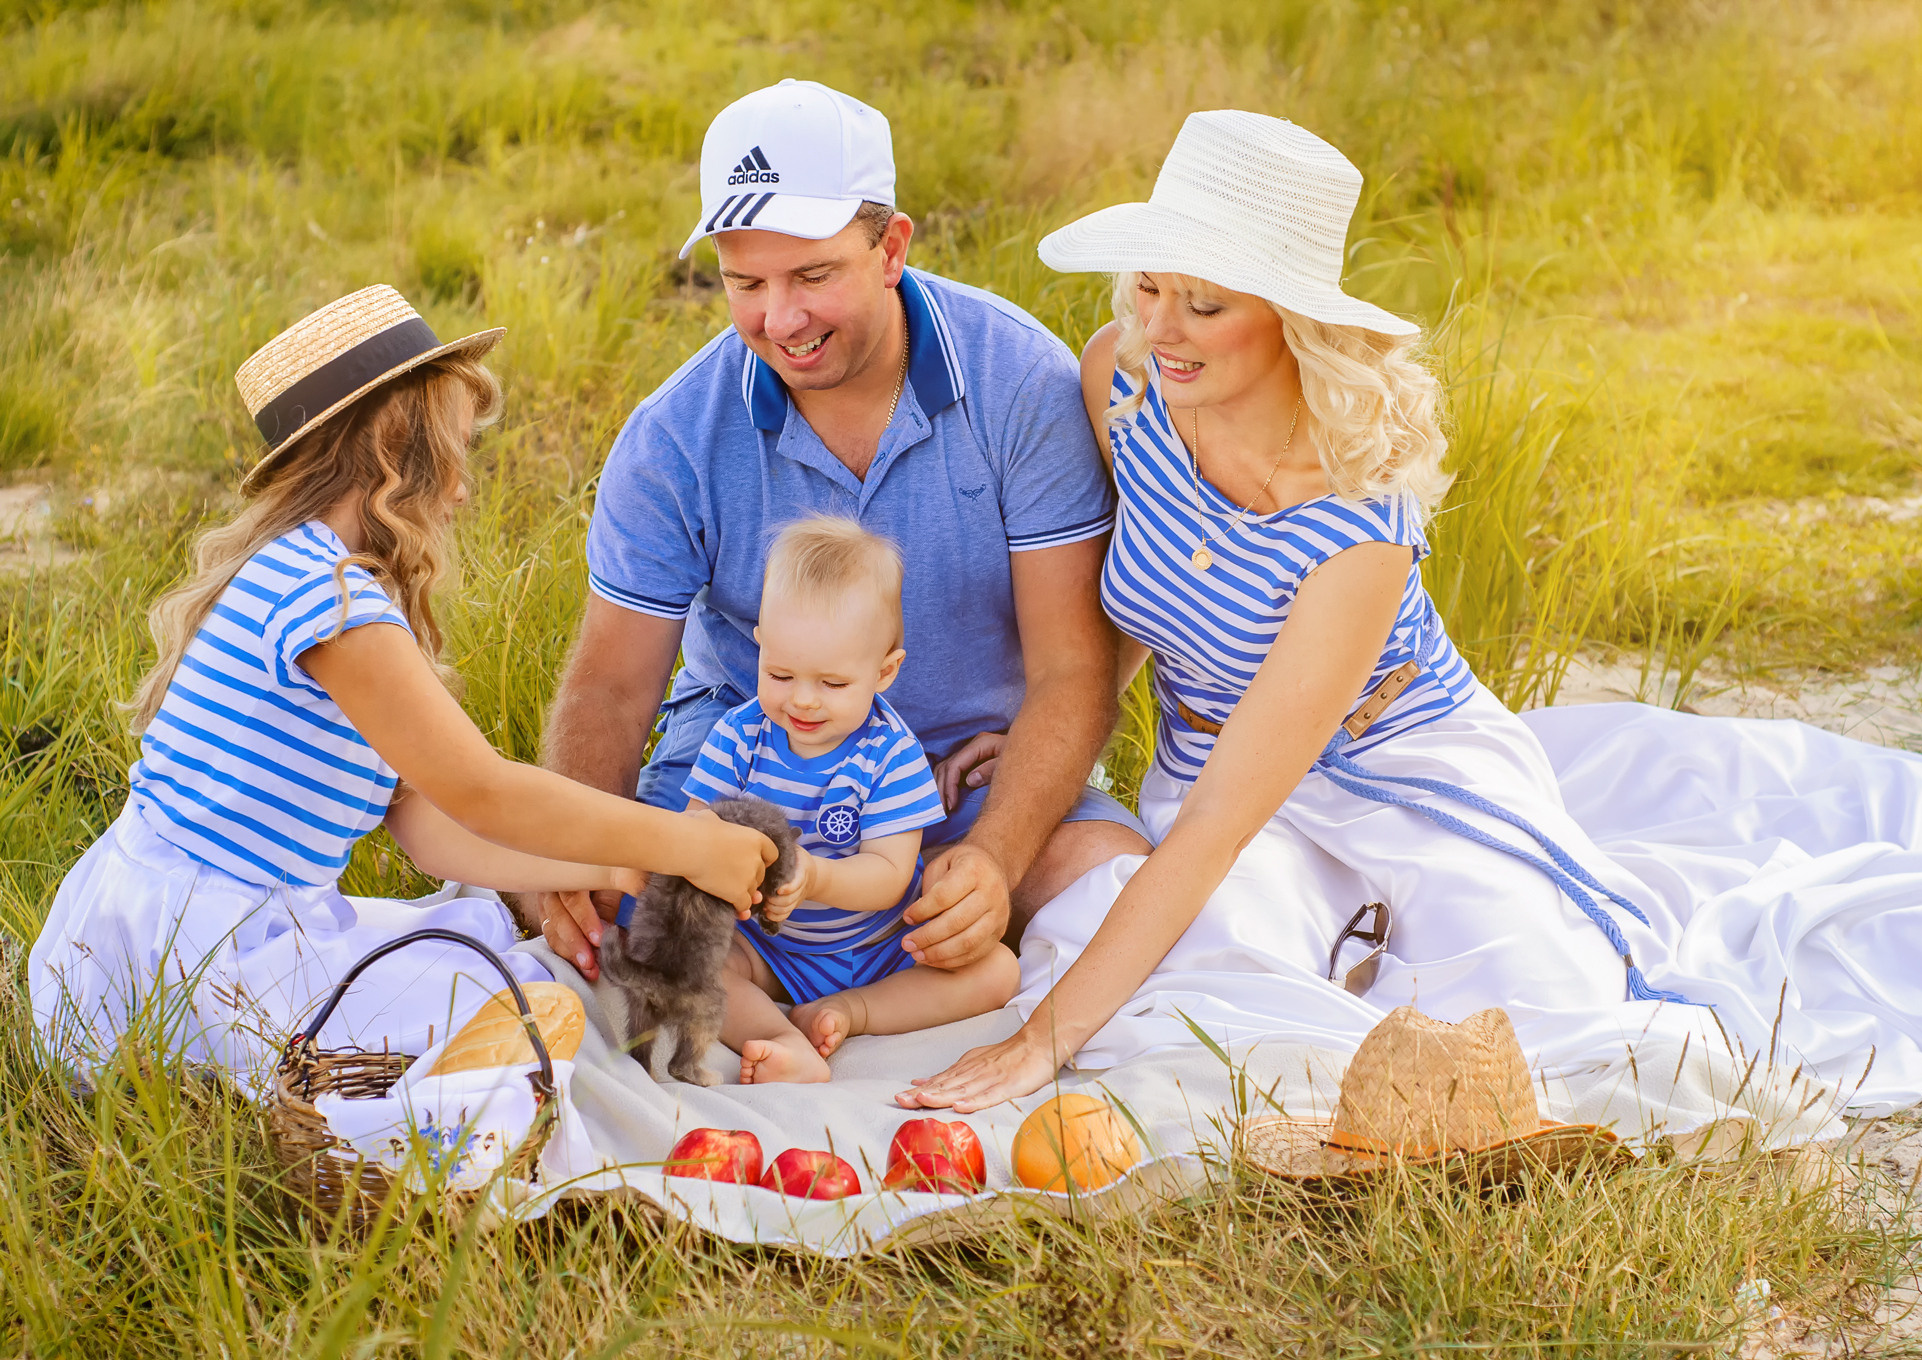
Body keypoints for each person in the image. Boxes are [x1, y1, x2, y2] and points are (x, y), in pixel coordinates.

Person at [898, 111, 1922, 1117]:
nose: (1160, 326)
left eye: (1203, 302)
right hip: (1210, 763)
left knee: (1531, 1007)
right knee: (1208, 982)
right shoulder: (1124, 382)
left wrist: (1039, 1042)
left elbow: (1212, 829)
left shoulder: (1355, 522)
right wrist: (1063, 731)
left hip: (1396, 764)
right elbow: (1160, 591)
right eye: (1149, 286)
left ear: (1294, 318)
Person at [28, 286, 775, 1080]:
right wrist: (683, 845)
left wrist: (612, 867)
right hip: (203, 961)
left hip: (158, 928)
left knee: (482, 940)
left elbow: (427, 830)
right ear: (394, 448)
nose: (461, 489)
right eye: (454, 453)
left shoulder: (302, 574)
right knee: (527, 1008)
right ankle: (381, 1116)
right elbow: (482, 792)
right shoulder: (331, 602)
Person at [528, 79, 1149, 984]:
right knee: (618, 913)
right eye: (745, 283)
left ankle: (859, 980)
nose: (779, 320)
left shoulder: (1018, 382)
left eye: (812, 276)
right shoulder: (674, 436)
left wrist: (997, 859)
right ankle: (782, 1006)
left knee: (1118, 889)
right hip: (744, 787)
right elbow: (613, 691)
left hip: (960, 787)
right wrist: (579, 858)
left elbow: (1070, 668)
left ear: (891, 246)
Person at [683, 516, 1020, 1084]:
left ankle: (852, 1012)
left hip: (880, 946)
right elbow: (695, 833)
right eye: (781, 674)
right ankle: (783, 1042)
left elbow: (890, 874)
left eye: (833, 684)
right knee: (697, 960)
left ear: (884, 671)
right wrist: (717, 863)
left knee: (998, 971)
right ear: (759, 643)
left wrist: (814, 878)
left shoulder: (891, 754)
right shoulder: (740, 737)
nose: (804, 701)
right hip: (770, 947)